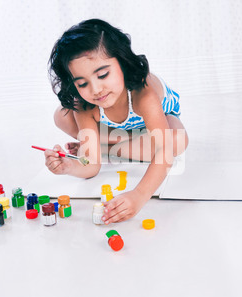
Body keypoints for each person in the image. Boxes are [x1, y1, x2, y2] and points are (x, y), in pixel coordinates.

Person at [46, 19, 189, 224]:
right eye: (82, 83)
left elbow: (164, 152)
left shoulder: (143, 93)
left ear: (122, 62)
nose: (96, 90)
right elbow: (91, 166)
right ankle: (99, 143)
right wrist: (69, 166)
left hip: (160, 120)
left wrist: (139, 195)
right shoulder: (85, 103)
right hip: (122, 132)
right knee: (61, 116)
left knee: (177, 141)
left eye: (103, 74)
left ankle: (103, 144)